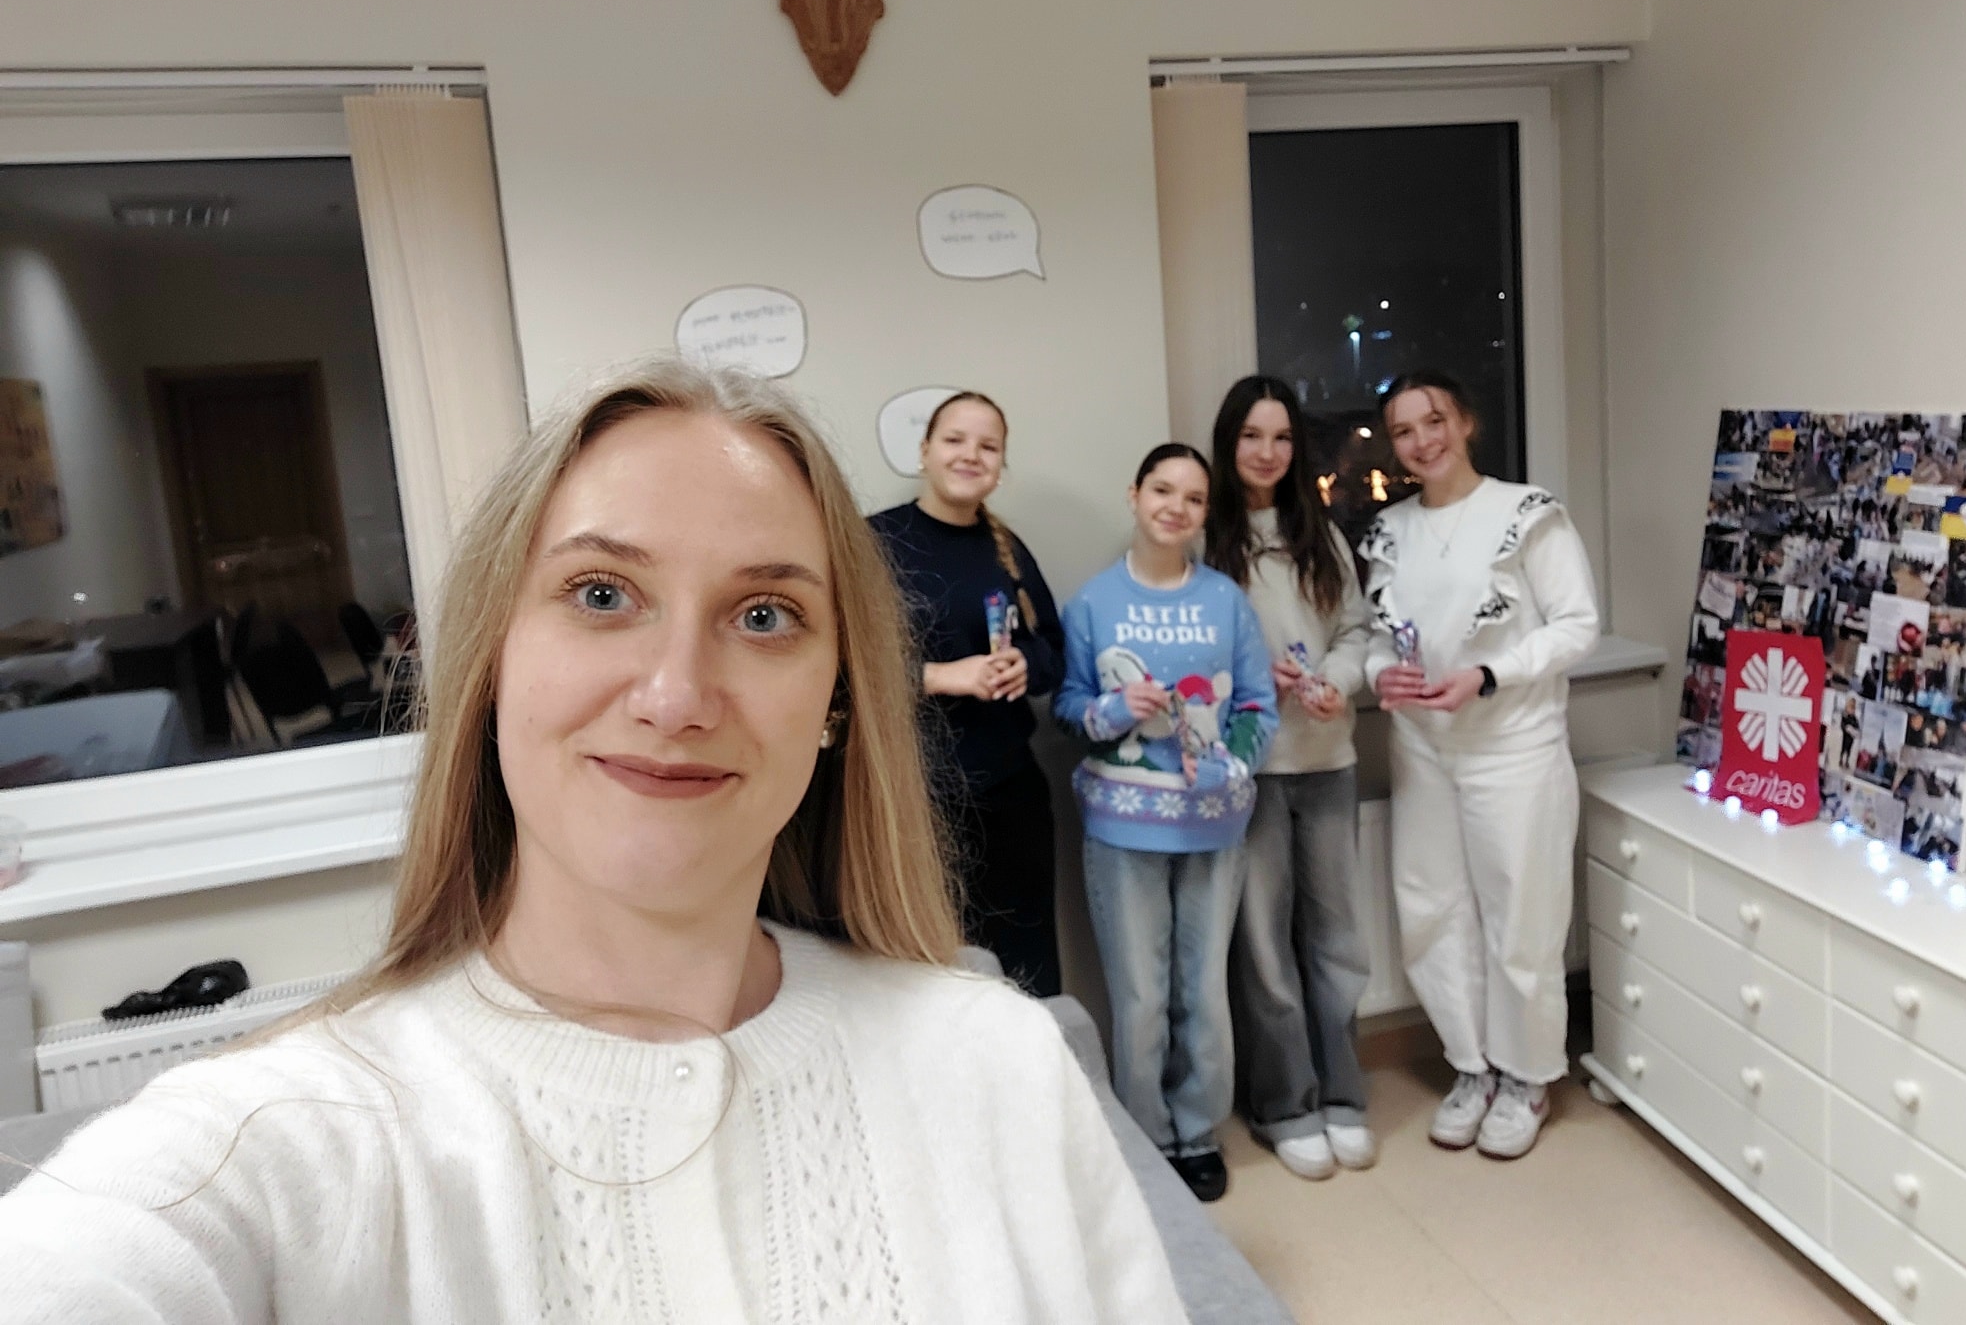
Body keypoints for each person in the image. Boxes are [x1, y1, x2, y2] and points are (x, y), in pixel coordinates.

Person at [0, 360, 1187, 1324]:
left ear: (836, 700)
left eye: (764, 614)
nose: (674, 696)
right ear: (490, 658)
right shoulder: (279, 1144)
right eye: (602, 594)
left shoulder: (1001, 1063)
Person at [1361, 370, 1599, 1161]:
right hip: (1424, 747)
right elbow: (1376, 638)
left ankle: (1527, 1075)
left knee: (1521, 916)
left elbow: (1577, 626)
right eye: (1403, 431)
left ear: (1465, 422)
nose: (1421, 441)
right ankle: (1471, 1066)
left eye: (1433, 421)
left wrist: (1491, 674)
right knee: (1430, 909)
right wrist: (1380, 676)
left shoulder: (1527, 514)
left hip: (1514, 747)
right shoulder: (1390, 531)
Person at [1054, 443, 1277, 1204]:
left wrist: (1233, 763)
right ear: (1135, 494)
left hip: (1213, 826)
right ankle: (1146, 1139)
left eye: (1193, 497)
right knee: (1140, 996)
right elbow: (1067, 707)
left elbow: (1257, 703)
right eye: (1162, 490)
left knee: (1203, 991)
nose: (1175, 507)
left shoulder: (1225, 601)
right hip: (1122, 827)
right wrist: (1113, 710)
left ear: (1205, 513)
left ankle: (1198, 1132)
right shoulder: (1093, 602)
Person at [1204, 376, 1376, 1181]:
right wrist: (1246, 680)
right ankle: (1286, 1105)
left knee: (1339, 940)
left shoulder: (1321, 534)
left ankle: (1342, 1094)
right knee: (1264, 947)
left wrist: (1340, 678)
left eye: (1281, 438)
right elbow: (1187, 654)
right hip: (1251, 772)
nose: (1267, 452)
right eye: (1251, 436)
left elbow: (1355, 632)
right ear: (1228, 443)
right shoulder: (1206, 539)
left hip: (1327, 760)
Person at [870, 392, 1065, 996]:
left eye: (988, 446)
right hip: (915, 801)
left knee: (1027, 975)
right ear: (925, 450)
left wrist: (1023, 666)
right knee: (937, 979)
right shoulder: (876, 541)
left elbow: (1053, 650)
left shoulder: (1008, 547)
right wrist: (937, 677)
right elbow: (839, 666)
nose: (970, 455)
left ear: (1001, 465)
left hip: (1011, 799)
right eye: (955, 440)